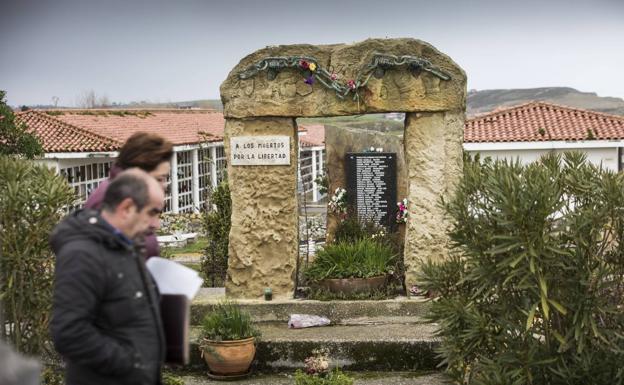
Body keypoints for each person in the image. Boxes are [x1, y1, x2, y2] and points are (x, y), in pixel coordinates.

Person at [50, 169, 166, 385]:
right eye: (152, 212)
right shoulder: (81, 255)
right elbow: (69, 333)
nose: (155, 224)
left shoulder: (124, 245)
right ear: (127, 208)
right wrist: (130, 364)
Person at [85, 132, 173, 258]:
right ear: (139, 172)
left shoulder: (126, 192)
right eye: (159, 179)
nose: (164, 185)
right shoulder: (108, 201)